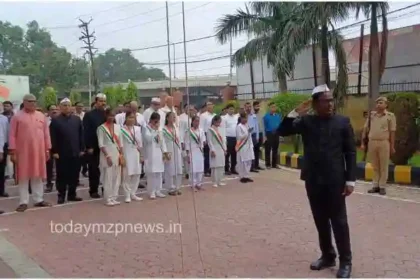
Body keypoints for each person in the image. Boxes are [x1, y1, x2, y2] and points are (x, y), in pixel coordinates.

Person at [277, 84, 355, 278]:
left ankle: (346, 261)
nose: (330, 104)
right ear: (315, 103)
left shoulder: (342, 122)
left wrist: (351, 179)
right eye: (325, 101)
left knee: (339, 221)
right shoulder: (306, 122)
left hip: (335, 180)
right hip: (313, 179)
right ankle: (328, 255)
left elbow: (350, 152)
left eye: (331, 100)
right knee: (320, 220)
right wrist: (294, 112)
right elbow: (282, 131)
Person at [9, 94, 52, 212]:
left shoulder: (41, 116)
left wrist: (48, 149)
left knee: (37, 175)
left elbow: (46, 134)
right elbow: (12, 135)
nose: (33, 103)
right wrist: (12, 151)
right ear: (24, 102)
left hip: (39, 151)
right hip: (23, 152)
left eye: (34, 101)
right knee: (23, 176)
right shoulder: (17, 117)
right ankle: (23, 202)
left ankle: (38, 199)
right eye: (30, 101)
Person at [50, 98, 84, 204]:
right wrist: (54, 151)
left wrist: (82, 149)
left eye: (68, 105)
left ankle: (72, 194)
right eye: (64, 105)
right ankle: (61, 195)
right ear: (60, 107)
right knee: (61, 176)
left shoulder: (77, 119)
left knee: (74, 175)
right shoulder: (55, 121)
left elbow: (81, 135)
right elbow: (52, 137)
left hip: (75, 152)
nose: (67, 107)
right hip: (61, 153)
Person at [361, 96, 396, 195]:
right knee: (375, 165)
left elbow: (392, 131)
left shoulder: (390, 116)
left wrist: (392, 146)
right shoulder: (371, 116)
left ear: (386, 105)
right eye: (377, 103)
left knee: (383, 165)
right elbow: (365, 129)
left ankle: (382, 186)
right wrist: (363, 143)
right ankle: (375, 185)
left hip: (384, 142)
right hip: (372, 142)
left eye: (381, 103)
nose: (378, 104)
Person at [97, 108, 124, 206]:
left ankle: (114, 197)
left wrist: (121, 154)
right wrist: (107, 156)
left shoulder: (118, 127)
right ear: (106, 116)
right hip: (107, 155)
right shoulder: (101, 128)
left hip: (117, 154)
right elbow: (101, 144)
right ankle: (108, 198)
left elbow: (120, 143)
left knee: (117, 177)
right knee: (108, 177)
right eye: (109, 115)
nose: (111, 118)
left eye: (113, 116)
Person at [83, 93, 107, 198]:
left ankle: (105, 188)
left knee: (105, 169)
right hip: (94, 147)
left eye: (104, 101)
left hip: (106, 147)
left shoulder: (107, 114)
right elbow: (86, 132)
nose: (103, 103)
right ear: (96, 102)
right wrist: (89, 146)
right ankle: (93, 190)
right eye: (100, 101)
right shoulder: (89, 115)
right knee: (94, 170)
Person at [142, 112, 168, 199]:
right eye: (155, 121)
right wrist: (154, 130)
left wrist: (165, 152)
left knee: (159, 173)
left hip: (159, 153)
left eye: (158, 121)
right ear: (151, 120)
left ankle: (158, 190)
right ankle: (151, 191)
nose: (157, 123)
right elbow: (148, 139)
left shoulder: (159, 129)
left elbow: (162, 141)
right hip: (150, 153)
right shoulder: (146, 128)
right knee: (152, 173)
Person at [120, 110, 143, 203]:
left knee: (137, 174)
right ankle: (127, 195)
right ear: (126, 118)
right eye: (130, 117)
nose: (132, 119)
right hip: (126, 153)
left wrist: (141, 154)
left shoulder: (137, 129)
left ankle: (133, 193)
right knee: (127, 175)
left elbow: (140, 143)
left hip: (136, 153)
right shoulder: (121, 129)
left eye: (133, 117)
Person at [162, 111, 183, 195]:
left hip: (177, 150)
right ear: (167, 118)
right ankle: (170, 188)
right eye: (172, 117)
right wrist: (165, 153)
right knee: (169, 169)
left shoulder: (176, 128)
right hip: (168, 150)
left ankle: (177, 187)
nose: (174, 118)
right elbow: (162, 142)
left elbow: (179, 139)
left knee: (178, 168)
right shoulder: (163, 129)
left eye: (174, 117)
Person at [185, 115, 205, 191]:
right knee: (193, 169)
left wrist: (202, 148)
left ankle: (199, 184)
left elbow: (203, 141)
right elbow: (186, 143)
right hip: (192, 151)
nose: (197, 123)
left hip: (199, 151)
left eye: (198, 121)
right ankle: (193, 184)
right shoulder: (188, 131)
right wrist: (188, 154)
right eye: (195, 121)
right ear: (192, 122)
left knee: (200, 168)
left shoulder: (201, 130)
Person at [207, 115, 226, 187]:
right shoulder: (210, 130)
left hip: (221, 148)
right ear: (214, 121)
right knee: (215, 166)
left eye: (220, 122)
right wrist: (212, 150)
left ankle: (220, 180)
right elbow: (209, 141)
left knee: (221, 165)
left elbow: (223, 140)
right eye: (218, 122)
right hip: (214, 148)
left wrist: (224, 149)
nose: (219, 123)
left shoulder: (221, 129)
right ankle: (214, 181)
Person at [236, 112, 255, 183]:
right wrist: (247, 132)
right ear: (241, 118)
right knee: (242, 162)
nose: (245, 120)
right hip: (242, 146)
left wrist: (249, 131)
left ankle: (247, 175)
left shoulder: (247, 125)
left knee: (248, 161)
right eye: (244, 118)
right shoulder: (239, 126)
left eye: (246, 118)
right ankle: (242, 176)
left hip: (249, 145)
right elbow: (239, 137)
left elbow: (249, 135)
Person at [263, 102, 282, 169]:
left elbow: (280, 125)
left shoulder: (278, 116)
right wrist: (264, 136)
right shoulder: (266, 116)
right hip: (269, 133)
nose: (273, 108)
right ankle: (268, 164)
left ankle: (274, 164)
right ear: (269, 108)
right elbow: (264, 126)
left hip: (276, 134)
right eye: (272, 107)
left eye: (274, 107)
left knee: (275, 149)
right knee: (268, 149)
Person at [200, 101, 216, 177]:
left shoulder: (215, 115)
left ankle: (212, 168)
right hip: (206, 134)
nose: (210, 106)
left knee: (213, 151)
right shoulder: (203, 115)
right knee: (206, 153)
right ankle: (206, 170)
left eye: (211, 105)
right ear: (206, 106)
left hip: (214, 134)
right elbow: (201, 128)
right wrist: (203, 139)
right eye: (208, 105)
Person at [45, 104, 59, 192]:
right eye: (52, 109)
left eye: (55, 109)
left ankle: (59, 184)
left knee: (60, 167)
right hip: (48, 147)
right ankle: (49, 184)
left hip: (59, 147)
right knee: (49, 167)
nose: (54, 111)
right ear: (48, 111)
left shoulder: (61, 120)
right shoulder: (44, 121)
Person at [222, 104, 239, 175]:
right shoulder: (224, 118)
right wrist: (224, 139)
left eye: (233, 109)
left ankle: (233, 168)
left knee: (234, 154)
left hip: (235, 137)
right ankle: (226, 169)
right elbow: (223, 129)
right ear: (227, 110)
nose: (231, 110)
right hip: (228, 137)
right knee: (227, 154)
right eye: (230, 109)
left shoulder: (236, 117)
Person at [253, 101, 265, 170]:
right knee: (254, 150)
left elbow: (263, 125)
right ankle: (253, 165)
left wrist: (264, 135)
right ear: (253, 107)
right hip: (254, 134)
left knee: (257, 150)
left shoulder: (261, 114)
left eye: (258, 106)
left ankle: (257, 165)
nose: (257, 107)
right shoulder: (252, 114)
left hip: (260, 133)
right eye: (256, 106)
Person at [0, 112, 9, 197]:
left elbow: (6, 133)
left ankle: (2, 190)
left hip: (4, 146)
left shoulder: (4, 118)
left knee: (2, 170)